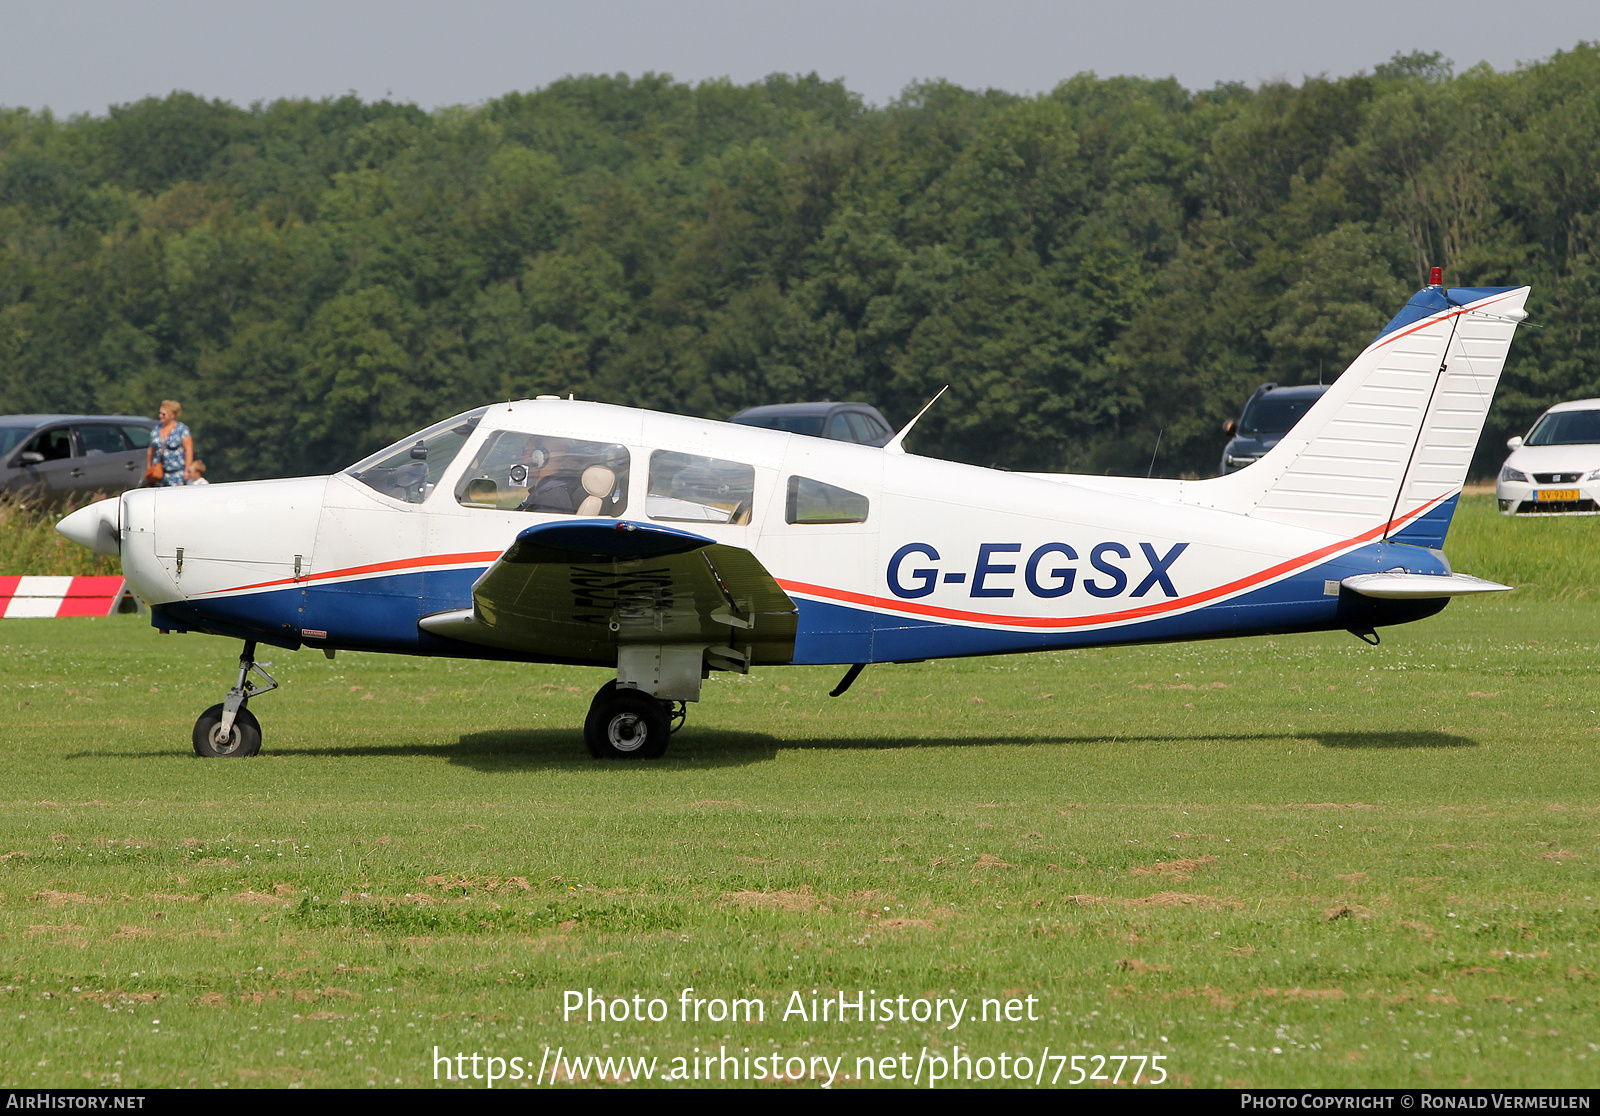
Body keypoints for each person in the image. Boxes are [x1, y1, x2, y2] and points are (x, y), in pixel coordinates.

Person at [146, 400, 193, 487]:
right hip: (159, 474)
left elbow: (188, 450)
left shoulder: (182, 429)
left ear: (173, 415)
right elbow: (151, 450)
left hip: (176, 473)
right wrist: (149, 468)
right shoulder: (156, 429)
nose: (161, 416)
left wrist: (187, 470)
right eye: (160, 413)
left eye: (164, 414)